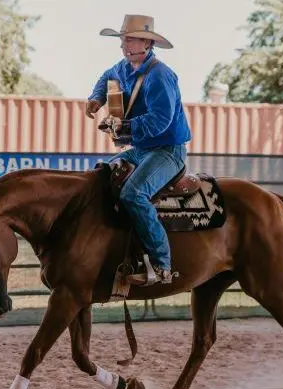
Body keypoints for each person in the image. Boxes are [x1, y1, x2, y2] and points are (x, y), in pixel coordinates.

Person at [86, 14, 192, 286]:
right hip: (142, 149)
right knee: (101, 175)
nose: (123, 44)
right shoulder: (123, 68)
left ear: (147, 43)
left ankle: (161, 266)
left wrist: (124, 126)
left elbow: (161, 120)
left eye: (130, 39)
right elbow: (106, 77)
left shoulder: (161, 75)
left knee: (134, 194)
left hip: (167, 151)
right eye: (123, 39)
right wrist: (96, 97)